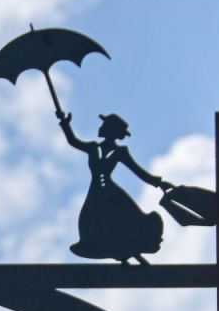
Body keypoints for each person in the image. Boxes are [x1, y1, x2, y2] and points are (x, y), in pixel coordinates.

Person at [57, 110, 166, 264]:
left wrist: (159, 183)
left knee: (126, 223)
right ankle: (122, 256)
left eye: (105, 125)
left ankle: (134, 255)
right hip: (96, 194)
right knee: (97, 225)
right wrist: (65, 123)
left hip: (112, 195)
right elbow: (73, 141)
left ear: (112, 130)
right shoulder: (93, 148)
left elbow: (138, 171)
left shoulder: (120, 152)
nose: (101, 127)